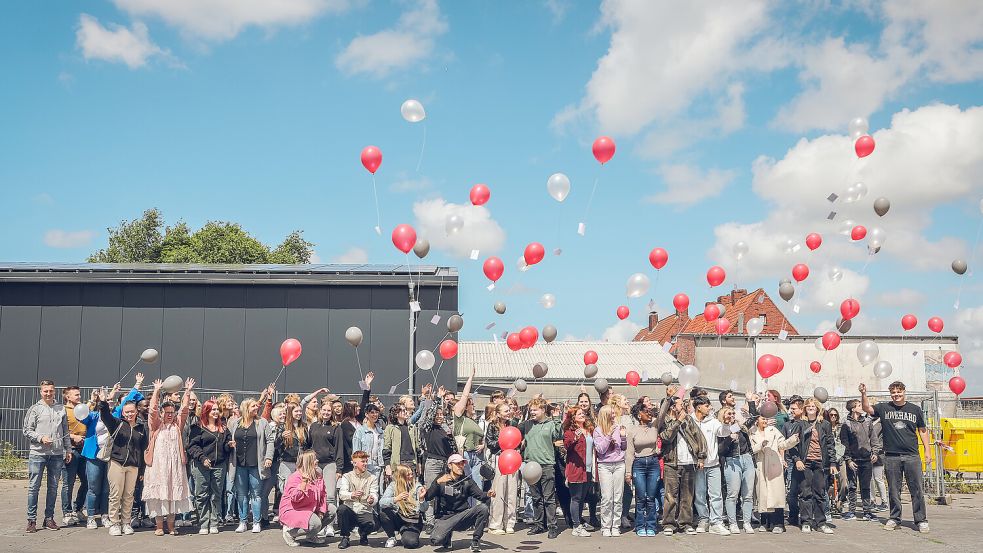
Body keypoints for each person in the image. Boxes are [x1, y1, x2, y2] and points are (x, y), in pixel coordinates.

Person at [860, 381, 933, 532]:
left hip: (912, 455)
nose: (896, 395)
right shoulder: (884, 408)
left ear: (904, 392)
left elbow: (923, 430)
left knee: (917, 489)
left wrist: (927, 450)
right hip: (891, 456)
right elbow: (867, 408)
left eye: (898, 392)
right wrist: (863, 394)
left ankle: (921, 520)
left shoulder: (915, 410)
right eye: (893, 392)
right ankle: (894, 518)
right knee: (893, 489)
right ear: (890, 394)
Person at [142, 377, 196, 536]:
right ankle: (159, 526)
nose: (170, 415)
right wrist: (157, 391)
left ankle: (171, 526)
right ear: (162, 413)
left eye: (172, 413)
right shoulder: (156, 425)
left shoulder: (177, 425)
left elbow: (185, 410)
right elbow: (152, 411)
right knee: (158, 497)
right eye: (167, 413)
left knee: (172, 497)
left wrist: (187, 392)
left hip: (175, 467)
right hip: (158, 467)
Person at [22, 379, 73, 533]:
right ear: (41, 392)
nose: (49, 393)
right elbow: (27, 430)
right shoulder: (35, 409)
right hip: (38, 454)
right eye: (46, 391)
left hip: (56, 454)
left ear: (55, 391)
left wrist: (68, 449)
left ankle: (48, 519)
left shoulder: (60, 409)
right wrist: (41, 438)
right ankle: (31, 520)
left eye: (51, 390)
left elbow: (65, 431)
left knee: (53, 488)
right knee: (33, 488)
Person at [98, 386, 149, 536]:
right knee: (115, 494)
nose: (129, 414)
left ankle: (126, 522)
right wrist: (102, 402)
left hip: (133, 466)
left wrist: (142, 470)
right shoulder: (116, 423)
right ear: (122, 412)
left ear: (136, 412)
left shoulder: (141, 427)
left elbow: (142, 449)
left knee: (129, 495)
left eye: (132, 411)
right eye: (126, 412)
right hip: (117, 463)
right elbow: (105, 415)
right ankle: (114, 523)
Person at [656, 395, 705, 536]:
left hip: (689, 462)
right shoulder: (665, 421)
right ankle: (669, 524)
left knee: (687, 496)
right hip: (671, 462)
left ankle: (686, 523)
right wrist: (678, 421)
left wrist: (701, 457)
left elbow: (699, 437)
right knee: (670, 496)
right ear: (672, 407)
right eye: (679, 404)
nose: (682, 406)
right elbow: (665, 437)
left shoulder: (688, 419)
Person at [426, 453, 494, 553]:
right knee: (436, 540)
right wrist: (437, 483)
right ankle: (447, 537)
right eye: (457, 464)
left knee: (483, 508)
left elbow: (480, 495)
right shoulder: (441, 479)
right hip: (445, 518)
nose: (461, 466)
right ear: (449, 466)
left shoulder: (467, 481)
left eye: (462, 464)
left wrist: (488, 494)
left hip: (462, 517)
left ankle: (475, 541)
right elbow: (428, 497)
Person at [787, 398, 836, 534]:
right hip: (805, 463)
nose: (811, 407)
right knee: (805, 493)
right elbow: (792, 445)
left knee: (820, 493)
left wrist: (832, 462)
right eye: (808, 406)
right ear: (805, 409)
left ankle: (821, 522)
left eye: (813, 406)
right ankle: (806, 521)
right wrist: (797, 459)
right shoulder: (800, 424)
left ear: (818, 408)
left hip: (820, 462)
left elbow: (830, 445)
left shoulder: (825, 424)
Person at [230, 397, 275, 533]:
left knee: (256, 494)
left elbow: (270, 441)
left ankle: (256, 521)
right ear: (246, 408)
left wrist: (268, 457)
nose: (256, 408)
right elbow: (230, 438)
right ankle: (243, 521)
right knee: (242, 494)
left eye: (257, 406)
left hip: (256, 464)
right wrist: (230, 444)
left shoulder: (262, 422)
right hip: (239, 464)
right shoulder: (236, 423)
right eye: (253, 406)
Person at [520, 397, 563, 538]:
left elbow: (558, 435)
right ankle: (539, 525)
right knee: (536, 497)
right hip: (531, 465)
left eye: (535, 409)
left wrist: (557, 419)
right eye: (530, 410)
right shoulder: (526, 425)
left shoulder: (550, 424)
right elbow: (512, 429)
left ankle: (552, 526)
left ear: (543, 410)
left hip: (546, 465)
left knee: (548, 497)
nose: (532, 412)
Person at [188, 399, 233, 534]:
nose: (215, 412)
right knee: (201, 494)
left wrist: (229, 445)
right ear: (206, 411)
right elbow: (192, 446)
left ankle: (214, 522)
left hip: (219, 465)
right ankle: (203, 523)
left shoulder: (223, 428)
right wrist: (202, 458)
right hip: (201, 465)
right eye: (213, 409)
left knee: (216, 495)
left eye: (217, 410)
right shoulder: (197, 427)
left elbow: (225, 446)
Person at [749, 413, 798, 533]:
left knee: (776, 494)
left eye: (766, 418)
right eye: (762, 418)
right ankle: (765, 522)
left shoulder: (773, 430)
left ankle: (779, 523)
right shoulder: (752, 432)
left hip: (774, 464)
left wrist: (793, 440)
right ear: (757, 420)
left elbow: (782, 444)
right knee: (764, 494)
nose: (765, 420)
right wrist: (762, 444)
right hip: (761, 465)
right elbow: (751, 449)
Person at [280, 450, 333, 547]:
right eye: (314, 459)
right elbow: (295, 498)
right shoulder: (295, 477)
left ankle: (311, 535)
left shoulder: (318, 476)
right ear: (308, 462)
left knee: (332, 510)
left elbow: (323, 495)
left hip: (311, 508)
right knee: (315, 524)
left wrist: (321, 511)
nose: (317, 461)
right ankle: (290, 533)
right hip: (294, 509)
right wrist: (303, 483)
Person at [691, 396, 728, 535]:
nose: (710, 408)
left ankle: (716, 522)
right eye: (707, 405)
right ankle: (703, 519)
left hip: (713, 464)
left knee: (716, 495)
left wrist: (726, 424)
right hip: (697, 465)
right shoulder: (690, 420)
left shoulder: (713, 421)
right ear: (698, 407)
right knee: (699, 494)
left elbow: (723, 432)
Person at [716, 406, 755, 535]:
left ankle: (747, 522)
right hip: (731, 460)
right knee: (732, 494)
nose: (732, 415)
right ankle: (732, 523)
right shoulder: (721, 429)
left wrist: (751, 402)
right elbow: (720, 450)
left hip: (746, 459)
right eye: (729, 413)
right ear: (723, 415)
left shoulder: (739, 427)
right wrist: (729, 438)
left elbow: (752, 419)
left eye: (733, 413)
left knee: (748, 494)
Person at [421, 390, 455, 532]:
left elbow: (452, 445)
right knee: (430, 492)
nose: (440, 417)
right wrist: (437, 399)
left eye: (442, 415)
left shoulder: (445, 428)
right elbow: (428, 416)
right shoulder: (428, 427)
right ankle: (429, 521)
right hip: (433, 462)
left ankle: (443, 518)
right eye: (437, 415)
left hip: (445, 463)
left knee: (446, 491)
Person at [840, 398, 879, 521]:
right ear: (853, 409)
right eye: (859, 405)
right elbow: (844, 443)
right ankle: (851, 511)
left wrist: (875, 452)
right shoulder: (846, 424)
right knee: (852, 486)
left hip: (866, 459)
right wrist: (848, 459)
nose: (862, 407)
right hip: (853, 459)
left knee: (865, 486)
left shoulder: (868, 422)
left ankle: (867, 511)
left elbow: (873, 439)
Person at [591, 404, 626, 537]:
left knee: (618, 497)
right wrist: (609, 435)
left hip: (619, 464)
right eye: (611, 413)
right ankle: (605, 526)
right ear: (605, 415)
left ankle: (615, 525)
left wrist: (623, 437)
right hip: (604, 465)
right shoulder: (598, 430)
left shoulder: (618, 427)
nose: (614, 415)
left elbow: (623, 447)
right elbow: (600, 450)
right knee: (607, 498)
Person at [626, 403, 661, 537]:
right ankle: (640, 525)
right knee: (640, 497)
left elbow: (662, 413)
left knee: (651, 497)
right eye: (646, 411)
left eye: (650, 411)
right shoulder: (632, 430)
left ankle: (651, 525)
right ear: (639, 414)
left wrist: (669, 398)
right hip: (638, 463)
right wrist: (628, 472)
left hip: (653, 463)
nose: (650, 413)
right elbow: (629, 452)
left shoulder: (654, 427)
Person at [337, 450, 381, 549]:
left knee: (375, 524)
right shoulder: (346, 476)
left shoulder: (372, 477)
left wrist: (372, 499)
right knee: (342, 509)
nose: (365, 464)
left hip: (364, 510)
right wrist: (352, 495)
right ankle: (345, 537)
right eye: (363, 462)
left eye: (366, 461)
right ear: (354, 463)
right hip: (351, 509)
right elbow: (342, 494)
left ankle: (363, 534)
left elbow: (375, 494)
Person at [486, 402, 517, 534]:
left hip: (513, 459)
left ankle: (509, 522)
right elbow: (490, 443)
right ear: (498, 414)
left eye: (509, 410)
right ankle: (495, 524)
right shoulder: (492, 426)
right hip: (499, 458)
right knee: (498, 490)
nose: (508, 413)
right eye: (505, 411)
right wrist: (502, 441)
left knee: (512, 491)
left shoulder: (513, 425)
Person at [379, 464, 426, 549]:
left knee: (411, 543)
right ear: (400, 476)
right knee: (383, 513)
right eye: (408, 475)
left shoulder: (417, 486)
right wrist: (396, 498)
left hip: (412, 522)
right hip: (399, 517)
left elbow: (424, 509)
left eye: (412, 474)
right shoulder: (393, 485)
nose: (411, 476)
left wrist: (422, 499)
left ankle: (407, 534)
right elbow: (381, 502)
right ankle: (391, 537)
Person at [61, 385, 88, 526]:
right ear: (68, 396)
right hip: (71, 450)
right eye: (76, 395)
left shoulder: (81, 409)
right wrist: (73, 437)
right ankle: (67, 513)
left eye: (79, 394)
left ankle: (78, 509)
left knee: (87, 480)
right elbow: (60, 431)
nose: (79, 396)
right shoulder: (63, 411)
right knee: (68, 483)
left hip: (84, 450)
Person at [383, 402, 421, 481]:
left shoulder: (412, 427)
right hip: (398, 463)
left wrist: (418, 464)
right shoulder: (390, 428)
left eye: (406, 410)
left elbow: (417, 447)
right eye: (403, 410)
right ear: (396, 414)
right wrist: (387, 466)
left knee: (411, 488)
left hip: (412, 462)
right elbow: (387, 448)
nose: (406, 412)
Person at [354, 403, 386, 481]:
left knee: (378, 490)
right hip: (366, 464)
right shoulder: (360, 431)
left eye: (376, 412)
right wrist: (357, 465)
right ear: (366, 414)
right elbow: (356, 451)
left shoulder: (380, 431)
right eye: (372, 412)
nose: (375, 415)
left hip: (378, 464)